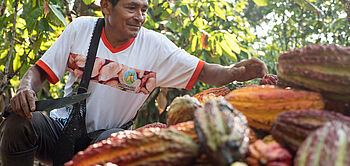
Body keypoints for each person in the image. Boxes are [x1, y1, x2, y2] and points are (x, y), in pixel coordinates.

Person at [0, 0, 268, 165]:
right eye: (131, 7)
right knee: (18, 121)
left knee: (120, 142)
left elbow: (206, 72)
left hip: (109, 139)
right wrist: (25, 89)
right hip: (59, 134)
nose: (139, 16)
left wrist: (235, 72)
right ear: (106, 5)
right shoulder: (81, 28)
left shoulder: (156, 47)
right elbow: (39, 71)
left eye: (144, 9)